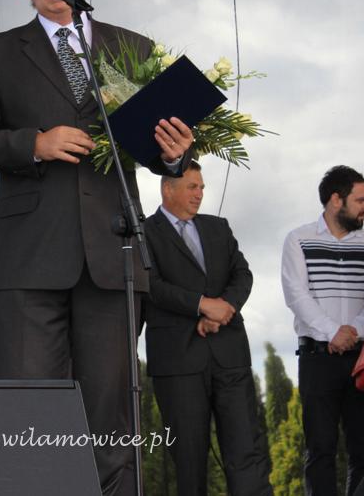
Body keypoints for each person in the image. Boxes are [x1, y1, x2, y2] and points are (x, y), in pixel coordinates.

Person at [0, 0, 194, 495]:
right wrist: (34, 143)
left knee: (111, 421)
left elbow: (155, 148)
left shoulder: (132, 48)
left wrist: (175, 155)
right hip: (30, 263)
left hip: (111, 257)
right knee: (27, 420)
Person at [144, 162, 271, 496]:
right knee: (188, 462)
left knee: (247, 452)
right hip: (178, 363)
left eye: (202, 187)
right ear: (167, 188)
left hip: (230, 356)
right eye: (192, 187)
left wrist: (223, 308)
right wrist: (201, 304)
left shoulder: (218, 227)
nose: (200, 194)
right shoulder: (143, 232)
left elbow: (242, 274)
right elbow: (151, 286)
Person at [280, 165, 364, 496]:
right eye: (361, 200)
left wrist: (354, 331)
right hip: (317, 358)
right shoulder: (298, 239)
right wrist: (333, 332)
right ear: (336, 200)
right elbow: (297, 295)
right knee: (320, 450)